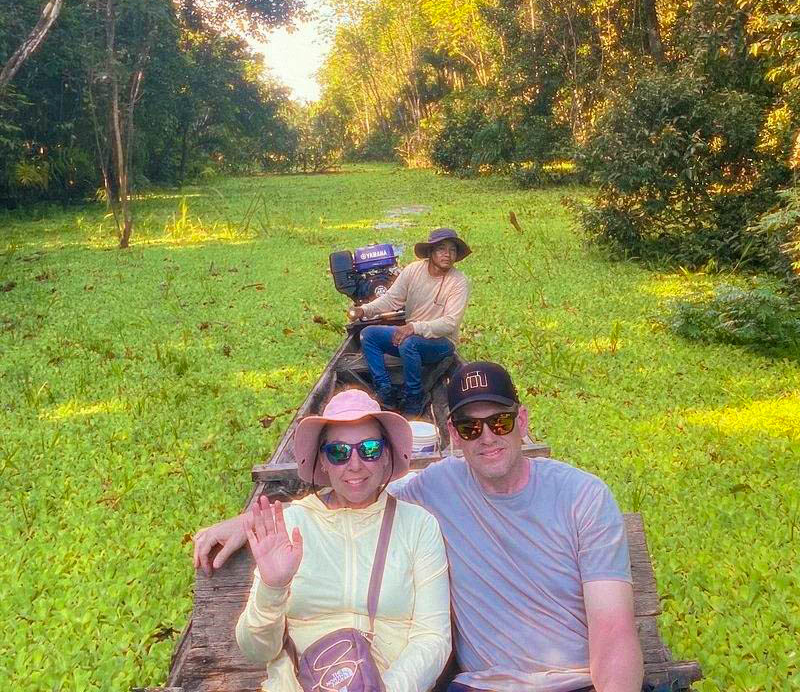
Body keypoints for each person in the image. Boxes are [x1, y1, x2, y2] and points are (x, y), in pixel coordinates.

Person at [195, 362, 643, 692]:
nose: (486, 437)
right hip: (483, 686)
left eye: (500, 421)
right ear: (452, 434)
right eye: (470, 428)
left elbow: (614, 632)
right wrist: (252, 522)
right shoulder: (433, 489)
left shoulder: (582, 497)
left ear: (521, 422)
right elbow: (351, 500)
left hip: (575, 682)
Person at [234, 388, 451, 692]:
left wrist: (386, 689)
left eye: (370, 449)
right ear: (322, 461)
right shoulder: (293, 522)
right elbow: (257, 651)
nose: (355, 464)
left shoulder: (418, 526)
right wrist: (272, 588)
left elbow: (433, 637)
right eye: (338, 452)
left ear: (387, 455)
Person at [350, 227, 471, 417]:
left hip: (442, 342)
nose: (447, 254)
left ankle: (414, 396)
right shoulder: (414, 270)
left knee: (409, 343)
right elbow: (391, 299)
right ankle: (385, 390)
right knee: (369, 334)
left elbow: (450, 323)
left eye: (452, 250)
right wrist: (364, 310)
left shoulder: (458, 281)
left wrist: (414, 327)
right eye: (441, 249)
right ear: (430, 252)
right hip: (412, 336)